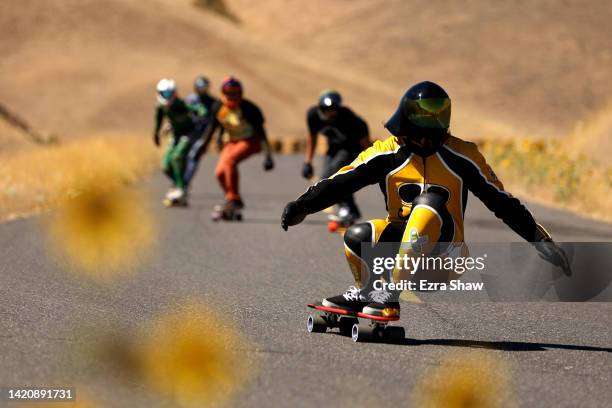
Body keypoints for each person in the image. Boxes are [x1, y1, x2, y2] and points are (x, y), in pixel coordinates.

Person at [282, 81, 571, 318]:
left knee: (429, 202)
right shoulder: (385, 153)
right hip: (401, 258)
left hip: (445, 258)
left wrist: (539, 239)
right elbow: (340, 182)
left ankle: (388, 295)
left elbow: (502, 203)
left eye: (439, 115)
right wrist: (303, 206)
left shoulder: (464, 155)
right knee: (358, 235)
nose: (431, 133)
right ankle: (369, 294)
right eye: (424, 120)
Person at [205, 76, 274, 219]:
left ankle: (233, 198)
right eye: (229, 93)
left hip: (250, 141)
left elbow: (262, 133)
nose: (233, 97)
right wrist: (201, 146)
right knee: (219, 172)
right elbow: (212, 128)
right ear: (223, 93)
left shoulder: (249, 108)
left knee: (230, 161)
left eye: (236, 93)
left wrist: (268, 156)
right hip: (231, 142)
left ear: (241, 93)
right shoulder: (218, 107)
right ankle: (234, 200)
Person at [302, 90, 370, 224]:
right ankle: (351, 210)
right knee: (329, 179)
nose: (330, 113)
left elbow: (365, 142)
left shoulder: (349, 117)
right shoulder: (313, 116)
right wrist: (307, 162)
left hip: (351, 148)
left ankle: (347, 209)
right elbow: (312, 138)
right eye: (326, 110)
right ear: (320, 108)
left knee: (330, 177)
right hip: (333, 149)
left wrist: (371, 163)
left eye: (333, 110)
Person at [153, 78, 201, 206]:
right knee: (166, 166)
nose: (167, 97)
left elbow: (195, 108)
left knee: (176, 157)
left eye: (170, 93)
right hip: (175, 136)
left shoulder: (180, 104)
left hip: (188, 135)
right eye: (165, 94)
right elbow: (158, 120)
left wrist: (201, 111)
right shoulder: (161, 107)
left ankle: (180, 188)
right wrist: (156, 134)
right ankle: (181, 185)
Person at [183, 76, 223, 187]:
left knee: (193, 158)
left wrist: (218, 137)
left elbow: (218, 122)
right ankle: (179, 183)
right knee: (182, 158)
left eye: (204, 87)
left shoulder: (213, 102)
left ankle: (184, 184)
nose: (202, 90)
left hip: (204, 136)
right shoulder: (189, 100)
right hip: (188, 133)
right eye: (200, 87)